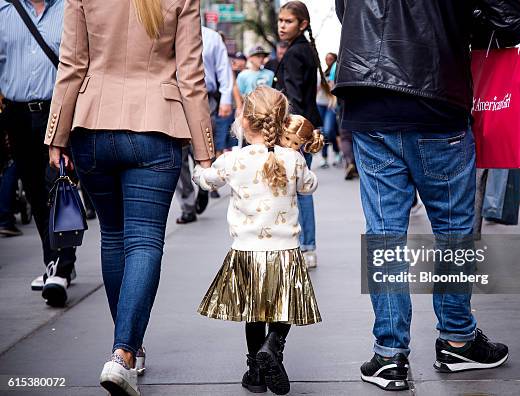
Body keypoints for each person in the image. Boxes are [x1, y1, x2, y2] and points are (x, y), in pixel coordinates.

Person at [334, 0, 520, 390]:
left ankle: (389, 356)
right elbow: (508, 23)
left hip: (368, 98)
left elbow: (346, 12)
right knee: (453, 230)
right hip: (437, 98)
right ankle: (457, 339)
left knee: (385, 234)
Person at [45, 0, 214, 394]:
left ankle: (128, 349)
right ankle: (123, 352)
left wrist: (56, 134)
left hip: (92, 124)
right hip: (157, 126)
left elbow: (71, 64)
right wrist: (205, 152)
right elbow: (190, 74)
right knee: (144, 240)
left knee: (114, 236)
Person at [193, 87, 322, 396]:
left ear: (245, 121)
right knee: (283, 309)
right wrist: (299, 154)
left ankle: (255, 372)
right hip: (285, 253)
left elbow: (207, 180)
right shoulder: (293, 159)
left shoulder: (233, 160)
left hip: (247, 252)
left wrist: (199, 168)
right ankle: (273, 345)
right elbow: (309, 187)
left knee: (254, 313)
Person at [0, 0, 80, 306]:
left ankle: (62, 266)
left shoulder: (70, 8)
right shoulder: (4, 11)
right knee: (35, 193)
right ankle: (53, 262)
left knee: (61, 187)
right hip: (17, 115)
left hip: (59, 113)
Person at [274, 0, 325, 269]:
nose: (282, 25)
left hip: (296, 131)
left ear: (302, 24)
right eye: (281, 20)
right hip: (306, 127)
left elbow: (293, 98)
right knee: (300, 188)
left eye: (288, 21)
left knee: (299, 190)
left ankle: (307, 247)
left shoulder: (295, 53)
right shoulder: (303, 49)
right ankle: (306, 246)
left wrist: (289, 136)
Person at [175, 25, 232, 219]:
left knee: (205, 147)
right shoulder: (167, 32)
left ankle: (205, 184)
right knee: (178, 156)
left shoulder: (212, 37)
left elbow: (223, 69)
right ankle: (187, 205)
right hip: (175, 98)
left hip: (206, 100)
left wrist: (226, 98)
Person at [316, 53, 341, 169]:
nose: (328, 61)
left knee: (329, 130)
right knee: (321, 131)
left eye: (330, 59)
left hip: (331, 104)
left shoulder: (336, 71)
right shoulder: (321, 72)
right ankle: (324, 157)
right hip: (320, 103)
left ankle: (336, 150)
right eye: (326, 59)